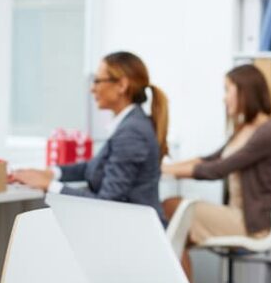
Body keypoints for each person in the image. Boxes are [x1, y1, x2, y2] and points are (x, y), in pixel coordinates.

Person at [12, 51, 169, 223]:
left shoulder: (131, 132)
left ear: (122, 85)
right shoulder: (131, 124)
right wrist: (52, 173)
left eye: (98, 81)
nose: (92, 88)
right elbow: (92, 167)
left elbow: (107, 203)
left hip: (137, 233)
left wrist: (49, 186)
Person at [162, 64, 271, 281]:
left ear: (245, 92)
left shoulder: (268, 131)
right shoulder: (244, 128)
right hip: (235, 214)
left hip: (249, 222)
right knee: (173, 236)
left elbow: (216, 170)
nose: (224, 98)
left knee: (171, 207)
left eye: (228, 90)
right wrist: (166, 168)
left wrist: (168, 171)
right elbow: (209, 159)